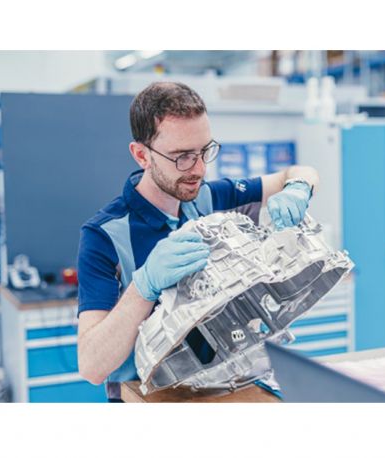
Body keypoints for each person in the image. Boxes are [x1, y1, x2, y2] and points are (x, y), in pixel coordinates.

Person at [72, 82, 321, 400]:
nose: (200, 169)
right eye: (182, 157)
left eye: (205, 151)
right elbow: (91, 366)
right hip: (146, 401)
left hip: (222, 390)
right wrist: (143, 287)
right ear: (141, 155)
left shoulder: (209, 198)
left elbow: (299, 172)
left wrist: (298, 187)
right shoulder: (104, 235)